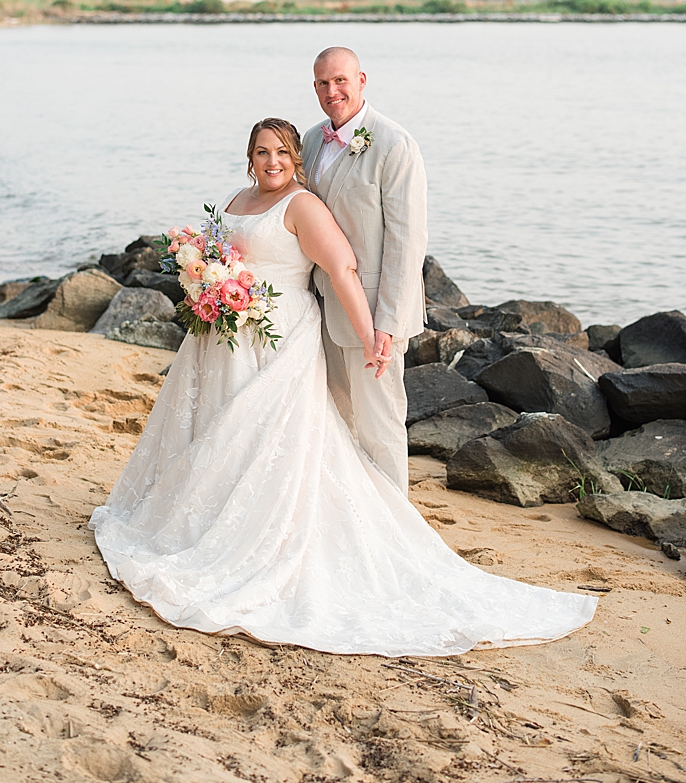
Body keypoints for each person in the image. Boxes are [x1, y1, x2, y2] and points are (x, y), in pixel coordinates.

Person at [88, 118, 595, 656]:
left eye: (281, 152)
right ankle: (196, 521)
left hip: (277, 337)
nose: (272, 162)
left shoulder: (304, 205)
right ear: (249, 157)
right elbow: (223, 254)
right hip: (222, 338)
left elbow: (345, 268)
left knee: (265, 439)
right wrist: (207, 281)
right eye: (262, 152)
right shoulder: (238, 197)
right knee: (215, 429)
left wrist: (374, 334)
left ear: (296, 158)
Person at [303, 46, 426, 495]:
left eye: (340, 81)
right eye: (322, 83)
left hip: (372, 315)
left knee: (381, 425)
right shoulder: (312, 140)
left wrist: (388, 325)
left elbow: (407, 241)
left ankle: (397, 525)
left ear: (361, 80)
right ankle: (352, 515)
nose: (331, 91)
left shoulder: (394, 143)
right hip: (318, 306)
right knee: (333, 418)